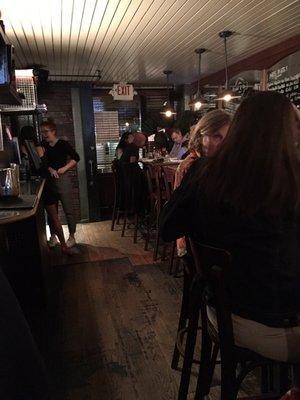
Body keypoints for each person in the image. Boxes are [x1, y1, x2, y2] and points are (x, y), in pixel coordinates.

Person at [160, 91, 300, 399]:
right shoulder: (293, 181)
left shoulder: (203, 172)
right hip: (278, 327)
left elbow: (166, 228)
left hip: (223, 313)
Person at [174, 110, 231, 256]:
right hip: (202, 250)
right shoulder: (191, 167)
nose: (224, 143)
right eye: (217, 136)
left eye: (228, 137)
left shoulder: (228, 166)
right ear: (200, 137)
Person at [40, 119, 80, 249]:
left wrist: (65, 168)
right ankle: (53, 236)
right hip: (49, 180)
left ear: (53, 131)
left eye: (46, 132)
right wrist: (50, 169)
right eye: (42, 132)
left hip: (63, 178)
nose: (44, 135)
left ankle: (72, 236)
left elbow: (76, 157)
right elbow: (43, 163)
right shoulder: (42, 145)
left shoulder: (63, 144)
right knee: (53, 212)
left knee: (69, 209)